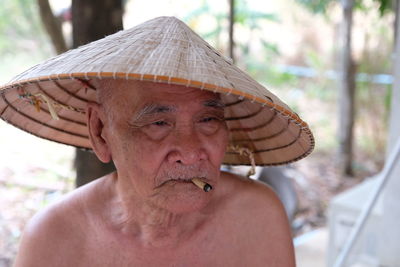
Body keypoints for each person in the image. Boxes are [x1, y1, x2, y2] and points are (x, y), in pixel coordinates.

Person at [1, 17, 314, 266]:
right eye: (159, 123)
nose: (191, 153)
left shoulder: (255, 218)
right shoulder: (54, 239)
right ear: (100, 131)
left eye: (207, 120)